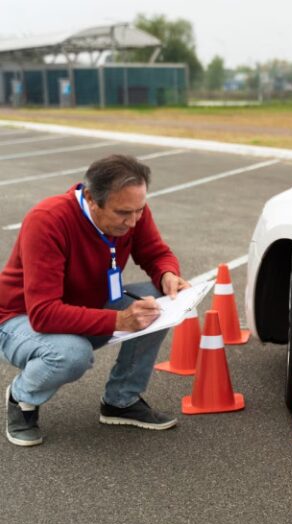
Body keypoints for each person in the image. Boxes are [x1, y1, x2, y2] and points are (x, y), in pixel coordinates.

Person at [0, 154, 190, 446]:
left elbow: (156, 253)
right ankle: (21, 398)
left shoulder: (133, 210)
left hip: (85, 305)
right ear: (91, 198)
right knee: (71, 354)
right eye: (123, 213)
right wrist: (120, 320)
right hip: (18, 318)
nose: (133, 221)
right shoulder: (48, 220)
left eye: (139, 210)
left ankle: (120, 401)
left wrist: (167, 274)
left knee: (159, 300)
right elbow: (43, 314)